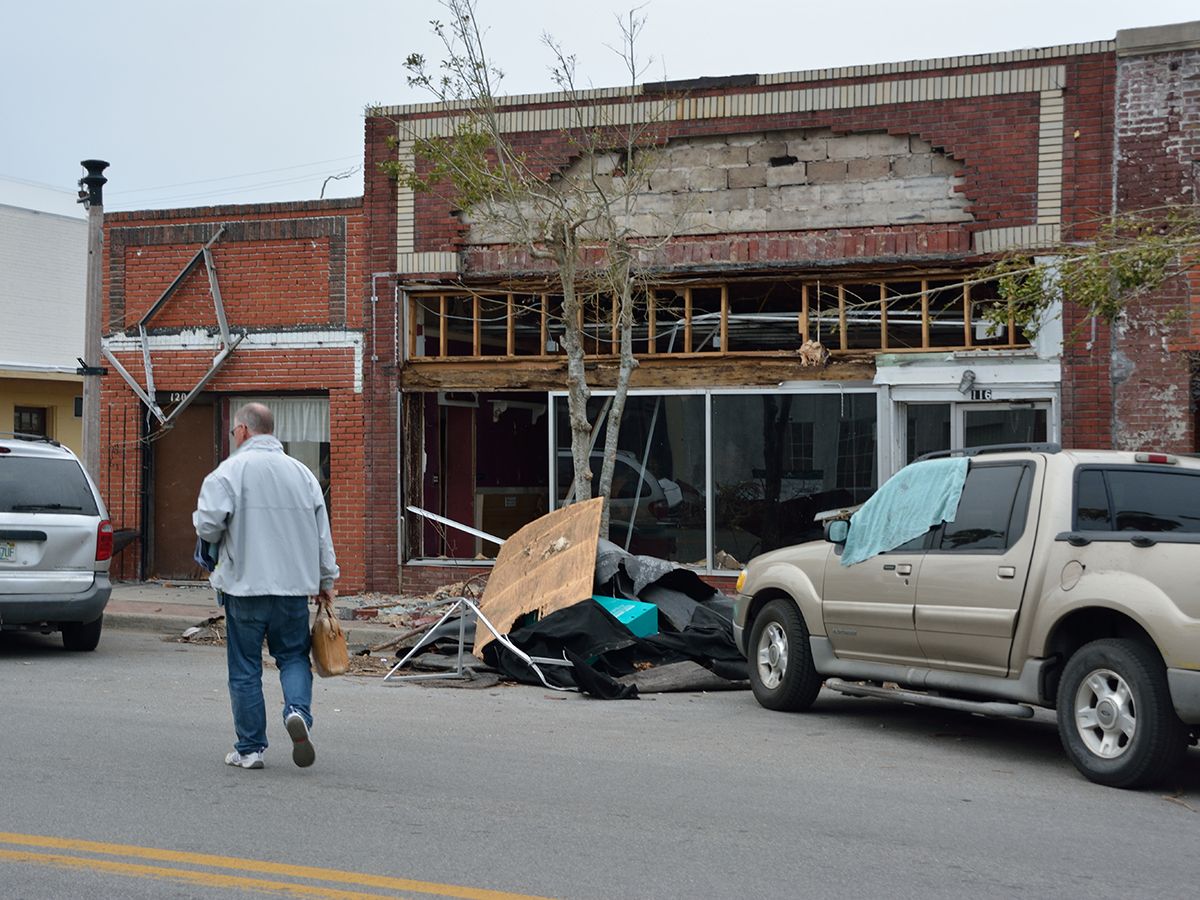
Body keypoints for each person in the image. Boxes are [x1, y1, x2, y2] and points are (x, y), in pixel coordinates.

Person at [193, 402, 339, 770]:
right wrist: (326, 580)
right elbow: (323, 536)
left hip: (245, 587)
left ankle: (250, 749)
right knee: (292, 657)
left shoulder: (228, 472)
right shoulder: (302, 474)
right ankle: (298, 713)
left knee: (244, 668)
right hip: (293, 589)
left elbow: (208, 526)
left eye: (233, 432)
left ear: (242, 430)